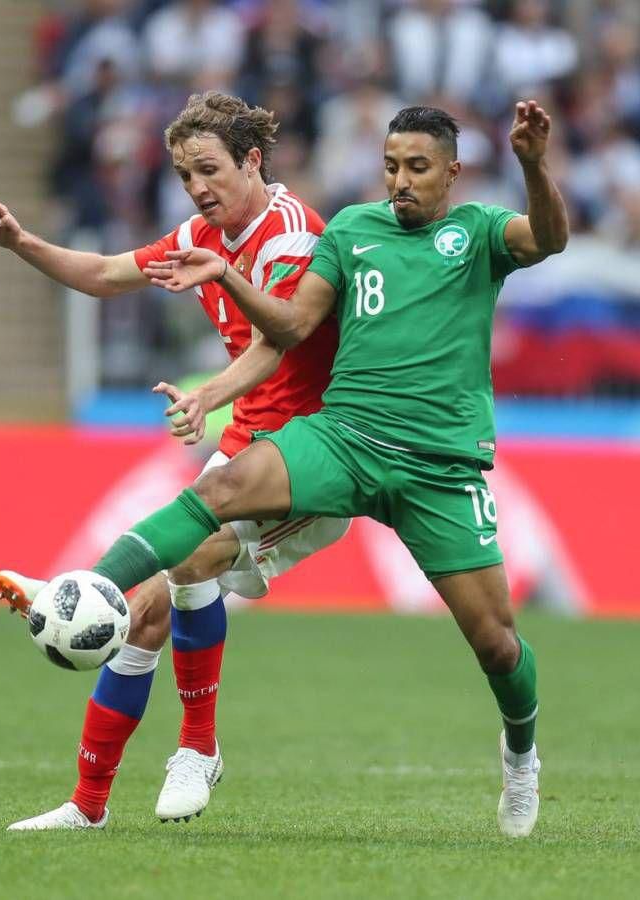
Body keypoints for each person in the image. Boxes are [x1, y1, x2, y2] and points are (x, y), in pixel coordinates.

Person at [85, 100, 569, 838]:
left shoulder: (477, 234)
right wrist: (227, 274)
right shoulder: (350, 230)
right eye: (389, 166)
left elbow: (549, 238)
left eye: (416, 168)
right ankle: (90, 586)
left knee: (497, 644)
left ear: (451, 172)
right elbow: (288, 326)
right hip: (344, 437)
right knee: (218, 488)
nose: (399, 181)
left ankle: (521, 755)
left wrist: (534, 163)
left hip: (439, 467)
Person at [0, 92, 350, 829]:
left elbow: (283, 339)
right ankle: (88, 805)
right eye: (184, 174)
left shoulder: (290, 233)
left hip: (313, 456)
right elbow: (107, 274)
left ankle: (197, 747)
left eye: (210, 170)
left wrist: (208, 396)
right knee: (142, 617)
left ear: (253, 160)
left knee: (191, 561)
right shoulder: (203, 232)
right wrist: (19, 243)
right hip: (245, 451)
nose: (198, 187)